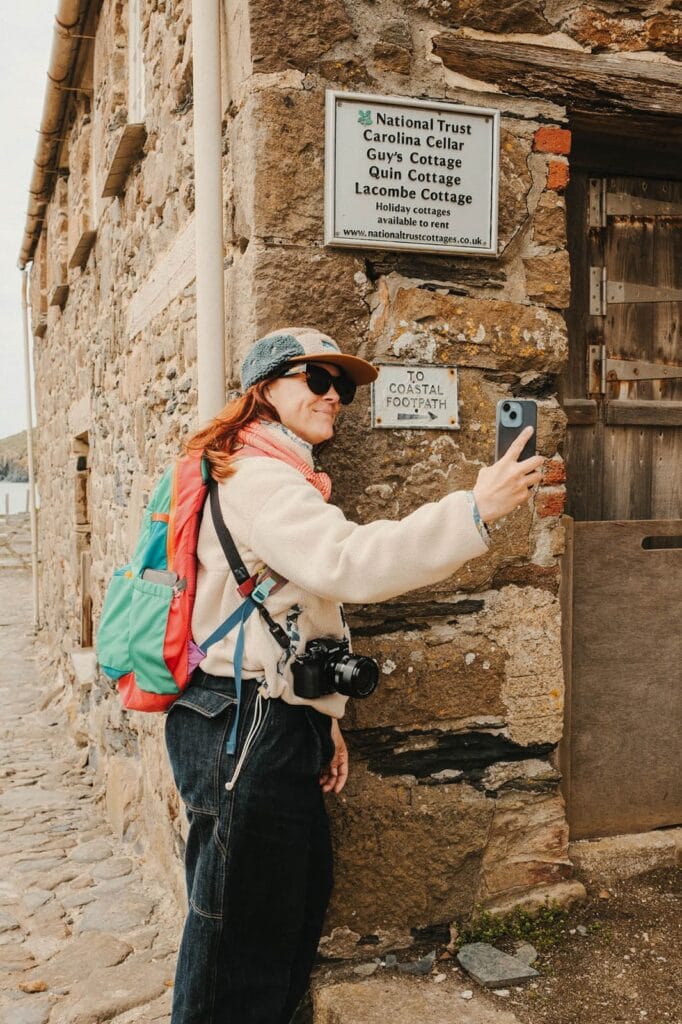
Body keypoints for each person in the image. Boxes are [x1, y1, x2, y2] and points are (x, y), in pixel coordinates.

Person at [164, 326, 544, 1024]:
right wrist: (473, 510)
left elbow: (301, 608)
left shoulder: (272, 472)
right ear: (266, 389)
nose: (335, 395)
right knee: (236, 942)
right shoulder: (261, 477)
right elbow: (348, 563)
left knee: (283, 916)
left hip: (261, 718)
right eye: (317, 378)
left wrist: (323, 718)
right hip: (243, 724)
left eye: (342, 385)